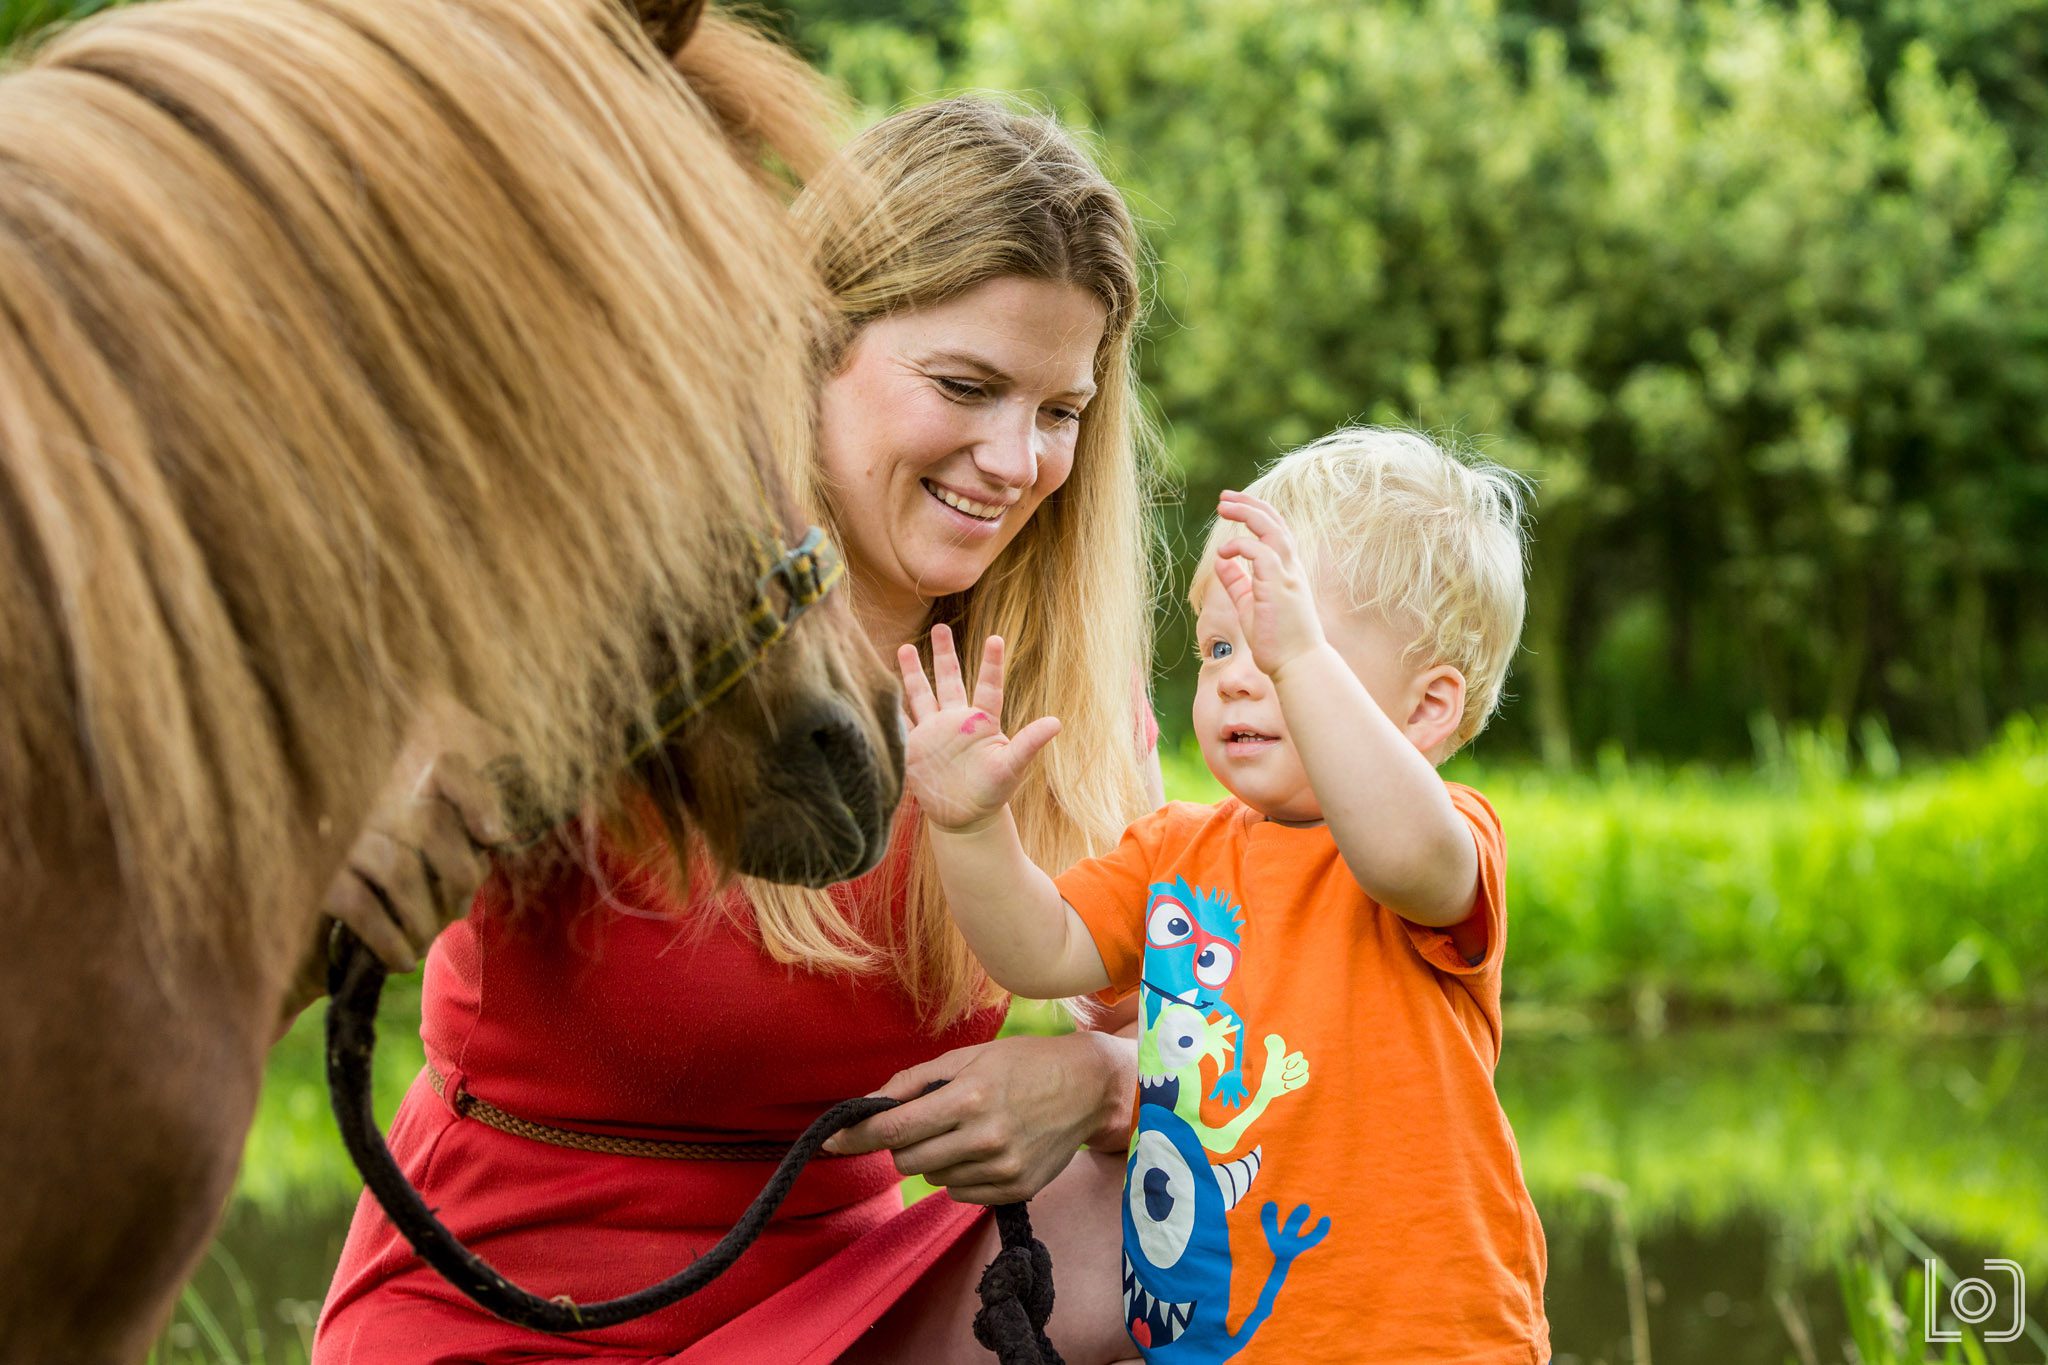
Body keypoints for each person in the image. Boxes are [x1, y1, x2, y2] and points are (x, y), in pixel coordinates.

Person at [314, 94, 1162, 1364]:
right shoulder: (606, 620)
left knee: (1205, 1216)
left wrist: (1101, 1084)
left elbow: (1227, 1041)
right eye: (965, 386)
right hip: (503, 1302)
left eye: (1057, 411)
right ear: (805, 343)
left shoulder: (1057, 706)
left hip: (846, 1300)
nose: (1013, 459)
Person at [895, 427, 1551, 1362]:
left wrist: (1302, 662)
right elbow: (1037, 951)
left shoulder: (1445, 841)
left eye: (1284, 642)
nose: (1241, 674)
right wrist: (968, 827)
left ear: (1428, 708)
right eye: (1217, 645)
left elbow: (1404, 855)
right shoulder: (1176, 852)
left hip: (1426, 1337)